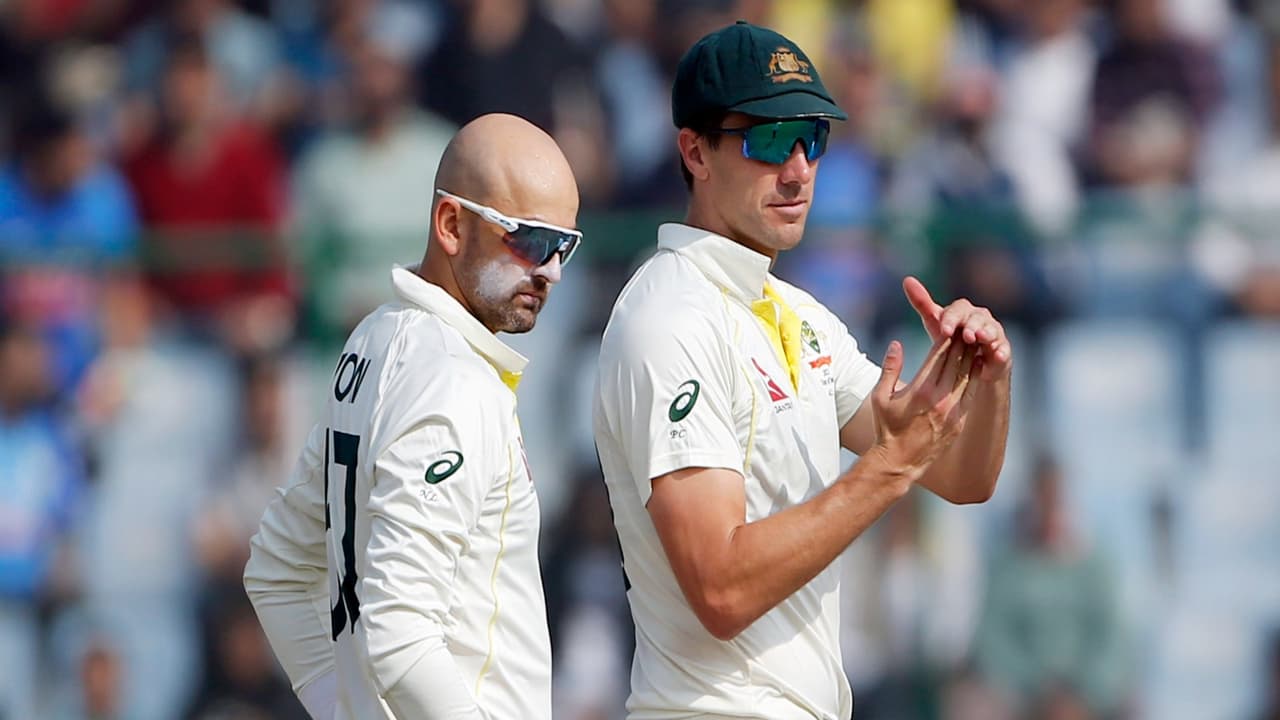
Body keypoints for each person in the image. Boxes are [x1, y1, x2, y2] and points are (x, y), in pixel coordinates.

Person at [592, 21, 1012, 719]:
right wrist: (888, 467)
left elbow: (964, 478)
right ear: (693, 151)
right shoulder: (668, 319)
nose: (797, 169)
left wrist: (987, 378)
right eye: (764, 138)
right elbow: (720, 590)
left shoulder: (798, 315)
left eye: (811, 137)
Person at [243, 113, 582, 719]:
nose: (551, 269)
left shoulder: (375, 337)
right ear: (451, 225)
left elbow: (277, 571)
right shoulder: (452, 379)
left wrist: (341, 707)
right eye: (529, 238)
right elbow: (399, 636)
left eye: (564, 245)